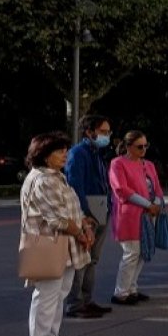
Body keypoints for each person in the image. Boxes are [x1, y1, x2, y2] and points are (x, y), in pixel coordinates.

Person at [21, 132, 93, 336]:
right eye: (59, 151)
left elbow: (72, 208)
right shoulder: (43, 180)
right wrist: (81, 232)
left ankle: (51, 335)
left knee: (59, 292)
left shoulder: (55, 177)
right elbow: (56, 218)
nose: (65, 155)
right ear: (44, 154)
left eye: (65, 150)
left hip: (65, 244)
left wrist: (84, 224)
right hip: (48, 244)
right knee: (48, 294)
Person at [64, 115, 113, 319]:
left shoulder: (97, 153)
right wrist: (85, 215)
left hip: (100, 206)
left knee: (92, 259)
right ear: (89, 132)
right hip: (89, 209)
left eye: (108, 132)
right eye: (103, 131)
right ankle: (75, 303)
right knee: (82, 259)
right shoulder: (78, 153)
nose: (107, 136)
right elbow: (76, 186)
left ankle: (87, 299)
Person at [108, 130, 164, 306]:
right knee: (131, 253)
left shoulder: (148, 165)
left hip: (148, 214)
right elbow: (121, 190)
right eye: (139, 146)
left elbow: (157, 188)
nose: (143, 150)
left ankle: (131, 288)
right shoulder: (118, 163)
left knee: (142, 252)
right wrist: (149, 205)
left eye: (145, 146)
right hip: (130, 215)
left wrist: (156, 203)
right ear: (128, 147)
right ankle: (121, 292)